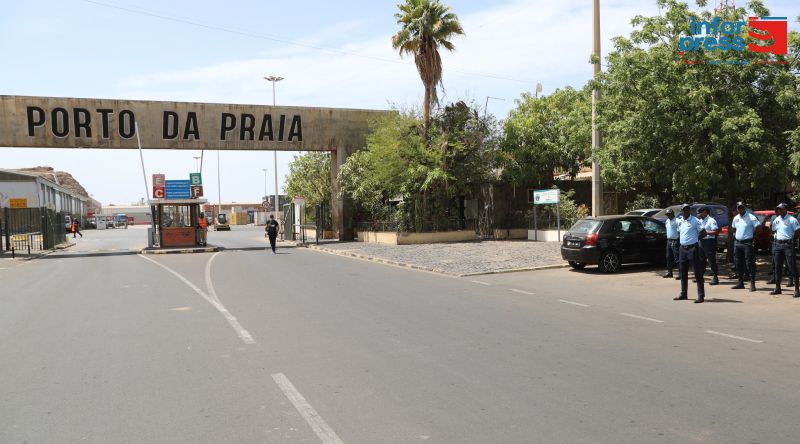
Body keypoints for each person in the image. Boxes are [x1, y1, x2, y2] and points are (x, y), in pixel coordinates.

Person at [674, 204, 706, 303]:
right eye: (683, 210)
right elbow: (680, 232)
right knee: (683, 272)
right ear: (681, 211)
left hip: (693, 248)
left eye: (687, 210)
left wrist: (695, 240)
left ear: (689, 211)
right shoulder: (680, 221)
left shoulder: (695, 221)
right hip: (682, 249)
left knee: (697, 272)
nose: (685, 212)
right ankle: (684, 293)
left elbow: (703, 232)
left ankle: (701, 295)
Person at [769, 203, 800, 297]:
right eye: (778, 209)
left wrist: (792, 239)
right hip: (778, 245)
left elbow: (798, 231)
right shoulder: (777, 219)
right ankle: (778, 288)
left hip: (788, 245)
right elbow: (773, 229)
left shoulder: (792, 219)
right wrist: (773, 236)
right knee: (777, 267)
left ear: (786, 209)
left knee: (792, 267)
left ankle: (796, 289)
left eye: (781, 209)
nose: (780, 211)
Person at [731, 202, 759, 292]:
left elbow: (759, 227)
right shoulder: (736, 218)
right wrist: (736, 236)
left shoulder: (751, 217)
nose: (740, 209)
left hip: (747, 243)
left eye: (741, 207)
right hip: (738, 243)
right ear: (737, 208)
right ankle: (740, 283)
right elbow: (734, 228)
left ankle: (752, 283)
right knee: (738, 263)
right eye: (738, 207)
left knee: (750, 263)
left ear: (744, 208)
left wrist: (753, 237)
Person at [697, 207, 720, 285]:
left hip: (709, 242)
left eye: (700, 212)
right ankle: (700, 277)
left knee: (711, 260)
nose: (698, 214)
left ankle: (715, 277)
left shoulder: (711, 220)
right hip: (701, 242)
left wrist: (706, 233)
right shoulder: (699, 221)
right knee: (701, 261)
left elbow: (716, 231)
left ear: (705, 212)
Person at [663, 208, 680, 279]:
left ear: (673, 214)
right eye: (667, 214)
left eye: (669, 214)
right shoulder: (667, 221)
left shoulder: (677, 221)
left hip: (675, 240)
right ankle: (669, 272)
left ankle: (681, 273)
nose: (668, 215)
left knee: (677, 258)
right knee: (668, 257)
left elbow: (680, 231)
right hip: (669, 240)